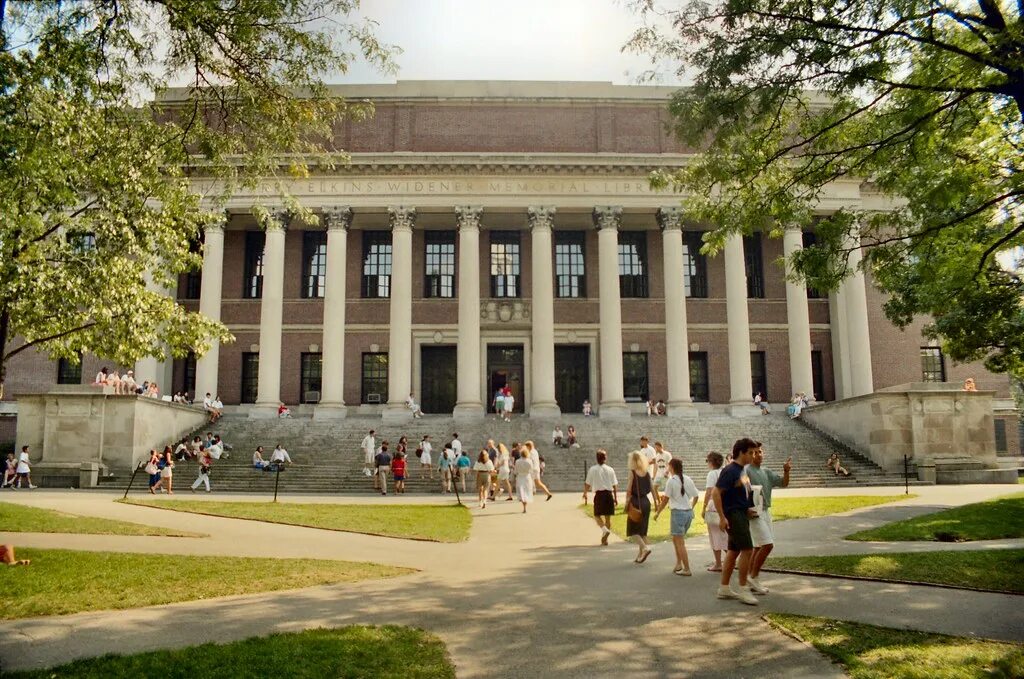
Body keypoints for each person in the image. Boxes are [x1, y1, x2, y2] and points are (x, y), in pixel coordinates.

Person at [712, 438, 759, 606]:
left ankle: (724, 588)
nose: (754, 456)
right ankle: (743, 588)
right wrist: (722, 517)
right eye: (751, 453)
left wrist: (746, 508)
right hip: (733, 515)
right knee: (747, 550)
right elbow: (716, 493)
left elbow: (737, 492)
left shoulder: (741, 470)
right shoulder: (731, 470)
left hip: (740, 512)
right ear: (741, 453)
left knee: (733, 551)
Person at [745, 444, 792, 594]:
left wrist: (786, 471)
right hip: (753, 513)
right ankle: (753, 577)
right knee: (767, 545)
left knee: (758, 546)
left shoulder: (766, 472)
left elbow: (784, 483)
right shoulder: (746, 471)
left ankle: (751, 579)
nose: (759, 454)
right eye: (755, 452)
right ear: (750, 454)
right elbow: (739, 490)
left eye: (760, 452)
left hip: (765, 511)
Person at [654, 458, 699, 575]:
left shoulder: (671, 481)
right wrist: (691, 507)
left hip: (678, 513)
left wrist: (658, 512)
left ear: (672, 467)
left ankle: (687, 569)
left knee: (680, 542)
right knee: (676, 539)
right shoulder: (687, 479)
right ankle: (679, 563)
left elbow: (665, 500)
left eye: (669, 466)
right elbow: (696, 496)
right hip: (688, 513)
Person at [625, 451, 659, 564]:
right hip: (646, 502)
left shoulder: (632, 473)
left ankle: (645, 548)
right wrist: (656, 502)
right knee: (642, 531)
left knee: (632, 530)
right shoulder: (647, 473)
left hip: (636, 502)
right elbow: (652, 489)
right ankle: (640, 555)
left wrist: (627, 502)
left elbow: (629, 489)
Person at [583, 449, 619, 545]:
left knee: (597, 515)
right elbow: (615, 485)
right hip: (609, 494)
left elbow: (587, 483)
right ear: (605, 458)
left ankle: (604, 530)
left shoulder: (592, 469)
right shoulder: (610, 469)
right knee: (608, 518)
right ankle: (605, 538)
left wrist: (585, 493)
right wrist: (615, 497)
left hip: (599, 495)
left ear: (597, 459)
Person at [702, 451, 728, 572]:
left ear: (711, 462)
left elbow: (709, 492)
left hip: (714, 505)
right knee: (725, 535)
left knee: (715, 536)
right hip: (725, 504)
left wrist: (704, 507)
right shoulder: (724, 472)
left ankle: (718, 563)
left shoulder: (712, 474)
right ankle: (730, 560)